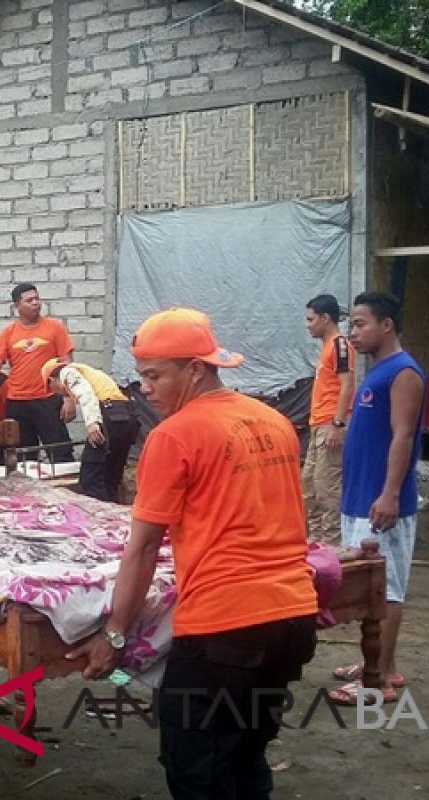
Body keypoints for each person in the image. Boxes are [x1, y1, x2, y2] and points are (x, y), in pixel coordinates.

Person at [66, 308, 318, 799]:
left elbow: (141, 548)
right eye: (140, 376)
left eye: (155, 375)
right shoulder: (274, 422)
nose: (145, 389)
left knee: (195, 766)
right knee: (246, 754)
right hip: (293, 620)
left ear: (196, 369)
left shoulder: (174, 435)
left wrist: (114, 635)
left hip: (224, 631)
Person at [329, 291, 424, 705]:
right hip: (361, 498)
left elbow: (404, 436)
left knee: (386, 589)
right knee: (371, 588)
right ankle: (380, 664)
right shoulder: (379, 371)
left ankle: (378, 681)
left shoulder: (404, 373)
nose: (353, 332)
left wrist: (388, 494)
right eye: (351, 325)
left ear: (386, 325)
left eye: (361, 323)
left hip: (382, 504)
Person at [0, 283, 76, 464]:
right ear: (16, 306)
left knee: (60, 453)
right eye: (29, 300)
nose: (35, 303)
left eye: (37, 299)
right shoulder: (8, 333)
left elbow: (67, 364)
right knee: (22, 457)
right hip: (17, 403)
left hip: (48, 400)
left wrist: (69, 398)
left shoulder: (55, 328)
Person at [41, 357, 139, 503]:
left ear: (51, 380)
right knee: (111, 474)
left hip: (109, 415)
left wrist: (92, 423)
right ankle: (111, 513)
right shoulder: (89, 372)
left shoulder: (67, 372)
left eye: (52, 389)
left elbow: (86, 394)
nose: (57, 394)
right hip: (127, 418)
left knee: (90, 475)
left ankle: (95, 516)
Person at [302, 294, 355, 544]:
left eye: (311, 319)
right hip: (318, 424)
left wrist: (337, 423)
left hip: (329, 425)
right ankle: (315, 543)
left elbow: (347, 386)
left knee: (327, 490)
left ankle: (332, 547)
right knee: (309, 488)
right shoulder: (327, 346)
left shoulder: (339, 345)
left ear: (325, 318)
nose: (308, 325)